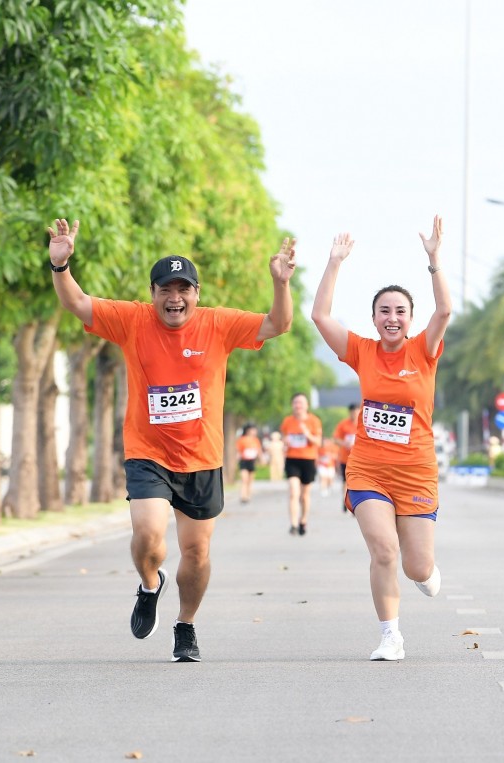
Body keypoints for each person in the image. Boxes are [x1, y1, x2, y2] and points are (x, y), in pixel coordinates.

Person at [48, 217, 296, 662]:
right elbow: (79, 304)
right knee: (148, 536)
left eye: (184, 289)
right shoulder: (131, 321)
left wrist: (280, 284)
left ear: (196, 295)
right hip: (148, 454)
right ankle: (149, 585)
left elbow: (278, 324)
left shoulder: (219, 325)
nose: (175, 298)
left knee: (196, 552)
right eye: (166, 289)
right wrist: (61, 267)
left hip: (202, 457)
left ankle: (186, 625)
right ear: (153, 294)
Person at [310, 217, 451, 662]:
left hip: (416, 472)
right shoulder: (361, 351)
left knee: (416, 566)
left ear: (409, 320)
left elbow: (444, 311)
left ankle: (426, 573)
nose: (392, 318)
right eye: (384, 311)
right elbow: (319, 316)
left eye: (400, 312)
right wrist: (334, 264)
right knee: (383, 550)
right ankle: (391, 636)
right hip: (368, 469)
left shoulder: (424, 351)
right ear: (374, 318)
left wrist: (433, 261)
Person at [279, 392, 323, 535]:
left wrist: (307, 434)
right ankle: (293, 524)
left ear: (307, 405)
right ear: (293, 405)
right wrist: (284, 442)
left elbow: (318, 442)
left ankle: (303, 520)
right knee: (293, 491)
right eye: (296, 403)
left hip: (308, 459)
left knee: (304, 495)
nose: (298, 405)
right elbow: (284, 439)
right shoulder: (287, 421)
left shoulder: (314, 421)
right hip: (292, 459)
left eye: (301, 403)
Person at [236, 424, 263, 503]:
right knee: (244, 479)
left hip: (252, 461)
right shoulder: (242, 440)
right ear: (248, 431)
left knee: (250, 480)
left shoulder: (256, 440)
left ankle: (248, 495)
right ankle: (243, 495)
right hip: (244, 461)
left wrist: (261, 459)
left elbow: (258, 450)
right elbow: (238, 451)